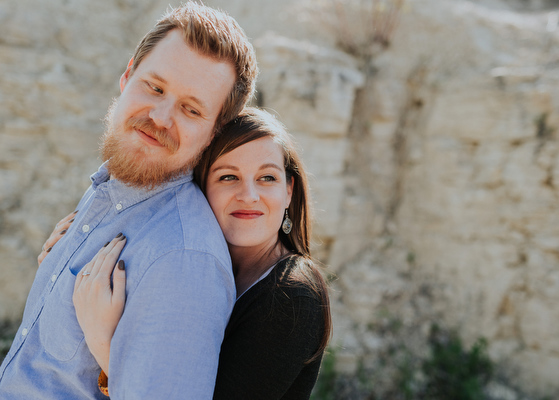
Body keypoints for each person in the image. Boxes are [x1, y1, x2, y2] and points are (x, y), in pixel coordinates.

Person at [0, 2, 258, 399]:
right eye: (154, 87)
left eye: (191, 109)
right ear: (127, 76)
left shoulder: (184, 259)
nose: (159, 116)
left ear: (213, 133)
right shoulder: (108, 190)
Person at [46, 108, 332, 399]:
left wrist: (105, 344)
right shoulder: (199, 269)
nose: (248, 195)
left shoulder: (292, 298)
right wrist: (68, 251)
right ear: (200, 188)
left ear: (288, 190)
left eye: (267, 178)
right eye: (228, 177)